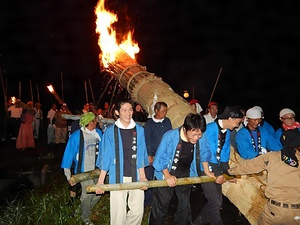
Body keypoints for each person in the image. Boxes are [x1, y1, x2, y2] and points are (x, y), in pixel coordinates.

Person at [149, 113, 213, 225]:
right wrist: (167, 176)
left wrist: (207, 171)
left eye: (199, 135)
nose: (196, 138)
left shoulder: (200, 137)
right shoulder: (170, 136)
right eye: (193, 134)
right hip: (166, 172)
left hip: (185, 172)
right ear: (185, 129)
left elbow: (204, 153)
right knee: (161, 206)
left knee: (184, 206)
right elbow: (161, 158)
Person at [227, 129, 300, 225]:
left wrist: (228, 171)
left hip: (275, 211)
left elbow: (248, 166)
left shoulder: (271, 157)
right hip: (297, 213)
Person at [95, 99, 148, 225]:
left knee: (138, 212)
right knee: (118, 214)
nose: (128, 113)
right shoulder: (110, 131)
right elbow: (106, 155)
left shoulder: (139, 130)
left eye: (130, 109)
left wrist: (143, 176)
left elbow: (141, 153)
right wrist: (100, 181)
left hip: (135, 175)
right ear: (117, 112)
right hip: (117, 175)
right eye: (124, 110)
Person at [194, 105, 244, 225]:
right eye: (237, 122)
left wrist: (227, 173)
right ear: (230, 118)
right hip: (204, 166)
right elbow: (208, 153)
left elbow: (224, 154)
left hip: (215, 167)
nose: (237, 126)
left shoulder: (226, 132)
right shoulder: (210, 129)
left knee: (217, 202)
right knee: (215, 202)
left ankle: (198, 222)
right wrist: (217, 174)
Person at [61, 112, 102, 225]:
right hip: (83, 171)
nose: (97, 122)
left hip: (97, 170)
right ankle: (85, 218)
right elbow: (68, 155)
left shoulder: (98, 133)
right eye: (95, 120)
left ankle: (80, 210)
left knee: (98, 193)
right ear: (90, 123)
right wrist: (68, 175)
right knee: (87, 194)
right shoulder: (76, 136)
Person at [144, 101, 172, 207]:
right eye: (162, 111)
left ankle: (160, 202)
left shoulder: (167, 122)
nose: (164, 113)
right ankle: (147, 203)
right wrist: (149, 155)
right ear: (156, 110)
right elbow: (147, 140)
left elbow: (169, 137)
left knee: (163, 178)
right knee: (149, 178)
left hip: (164, 156)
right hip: (153, 156)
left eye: (166, 111)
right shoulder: (149, 124)